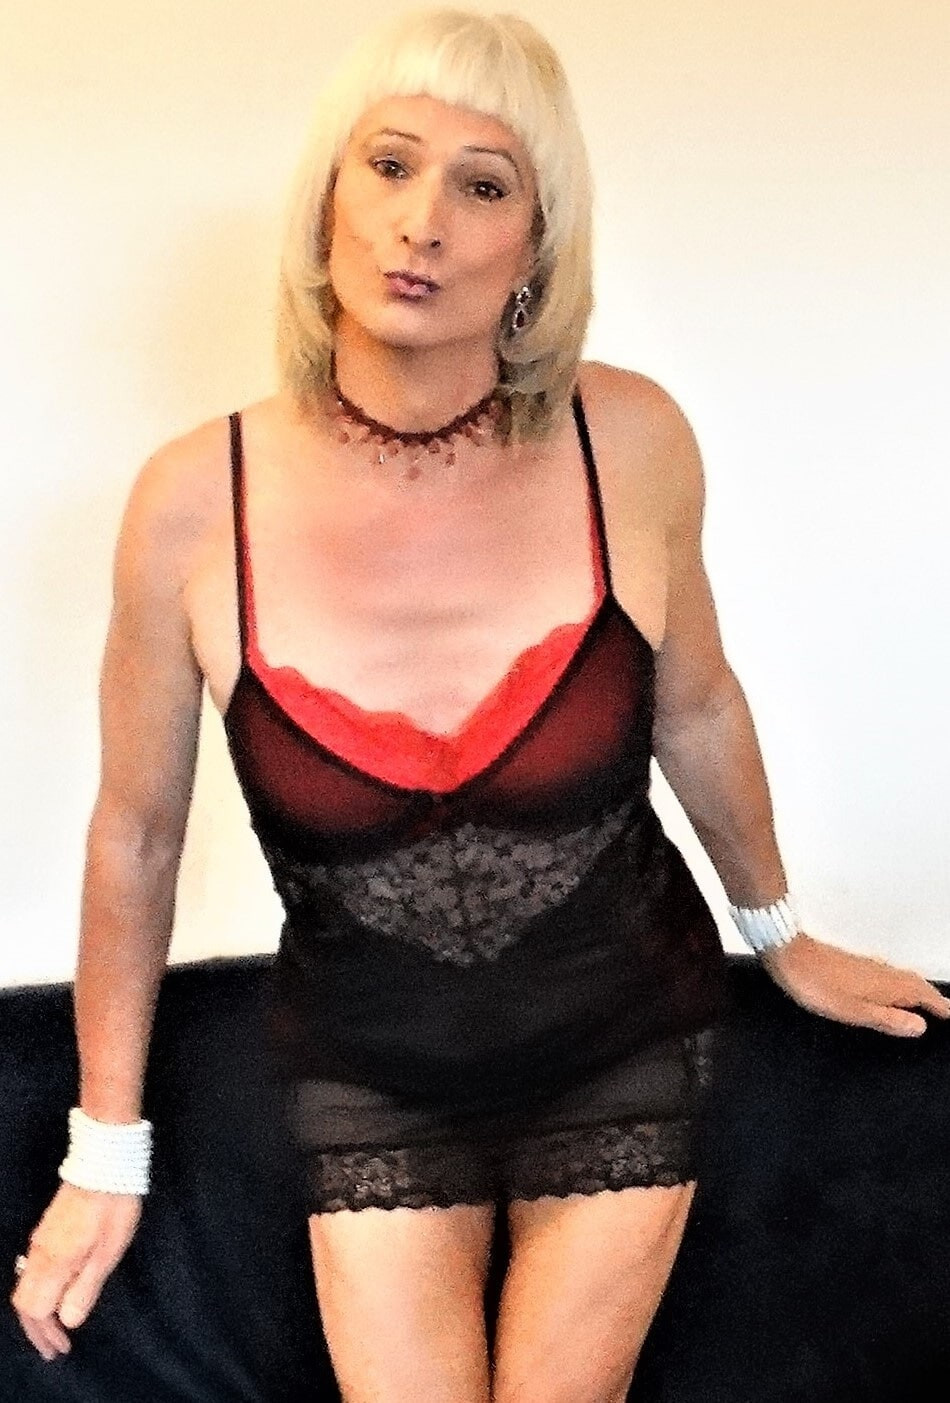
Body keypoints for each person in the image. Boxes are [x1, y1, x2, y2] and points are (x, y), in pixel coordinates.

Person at [11, 8, 950, 1401]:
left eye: (485, 184)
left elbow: (695, 706)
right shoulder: (191, 505)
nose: (424, 223)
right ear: (327, 199)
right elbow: (136, 838)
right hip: (368, 1070)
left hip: (629, 1030)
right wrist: (105, 1152)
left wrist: (780, 933)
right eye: (389, 165)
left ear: (537, 248)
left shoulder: (629, 437)